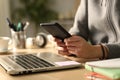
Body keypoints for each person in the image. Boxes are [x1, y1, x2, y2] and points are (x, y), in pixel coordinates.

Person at [54, 0, 120, 59]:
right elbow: (78, 29)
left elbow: (93, 51)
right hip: (97, 62)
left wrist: (95, 51)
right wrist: (70, 44)